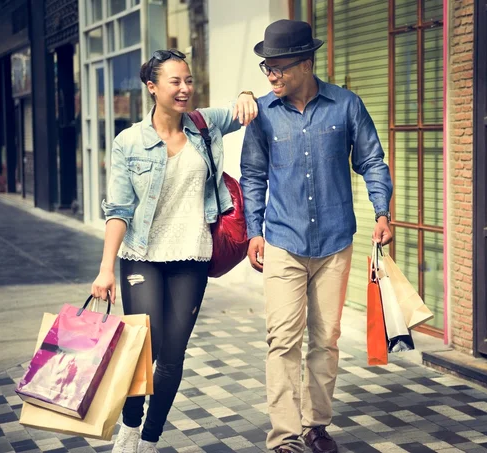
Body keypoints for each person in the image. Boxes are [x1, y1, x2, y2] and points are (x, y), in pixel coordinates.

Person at [90, 49, 257, 453]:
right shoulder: (128, 142)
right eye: (175, 82)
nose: (185, 89)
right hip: (142, 255)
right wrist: (105, 269)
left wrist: (248, 91)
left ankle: (150, 437)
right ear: (152, 87)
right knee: (142, 348)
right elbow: (118, 211)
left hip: (193, 255)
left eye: (188, 80)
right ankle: (129, 428)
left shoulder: (203, 126)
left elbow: (250, 109)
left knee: (173, 353)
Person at [240, 20, 393, 453]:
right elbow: (252, 175)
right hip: (283, 242)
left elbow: (372, 161)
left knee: (326, 339)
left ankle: (316, 425)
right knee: (283, 339)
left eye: (279, 68)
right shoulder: (263, 115)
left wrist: (382, 211)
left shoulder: (346, 106)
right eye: (266, 68)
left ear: (306, 63)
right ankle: (285, 437)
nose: (271, 76)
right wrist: (255, 232)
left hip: (334, 243)